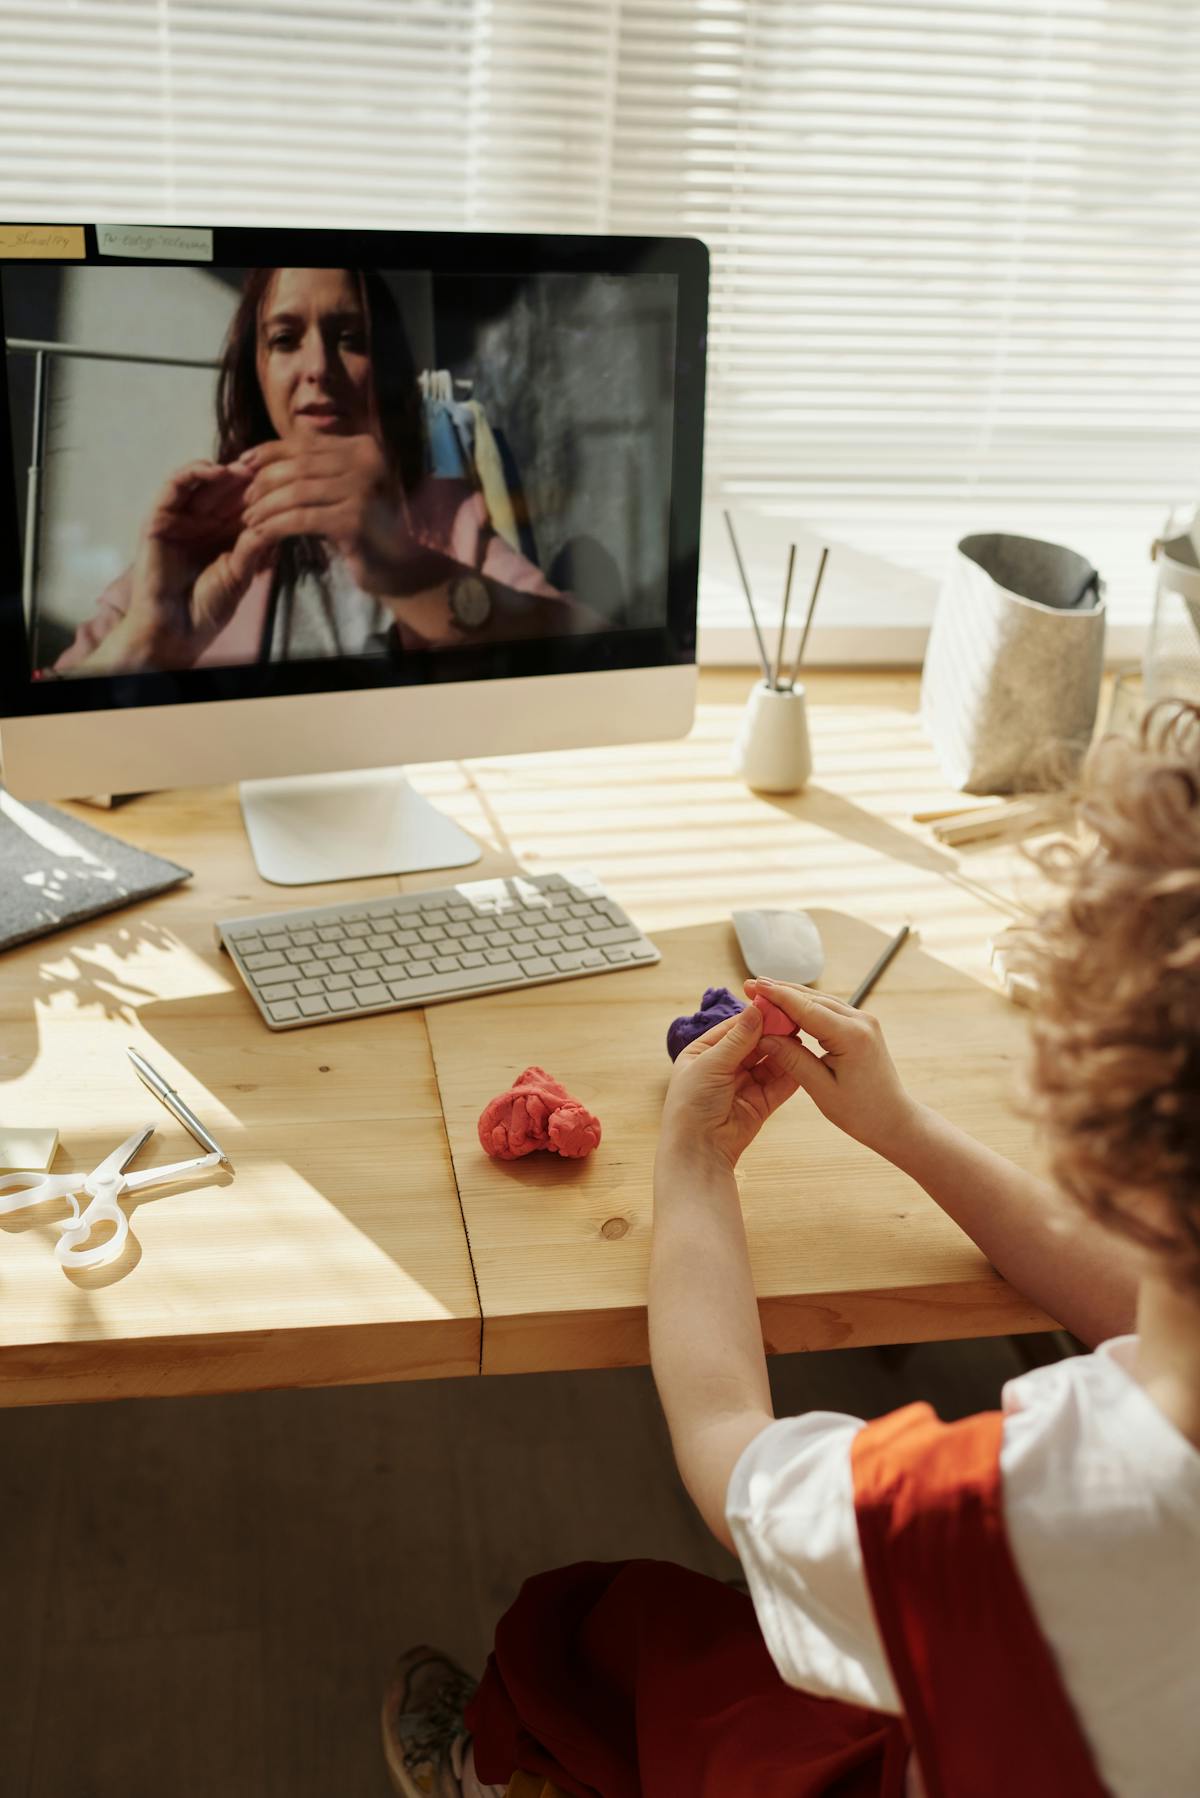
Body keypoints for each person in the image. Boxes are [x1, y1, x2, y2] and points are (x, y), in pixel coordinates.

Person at [381, 700, 1200, 1798]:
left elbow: (727, 1441)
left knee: (601, 1631)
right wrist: (906, 1131)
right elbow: (1151, 1319)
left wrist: (696, 1161)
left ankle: (502, 1766)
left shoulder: (989, 1523)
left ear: (1101, 1150)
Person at [49, 267, 598, 676]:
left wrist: (411, 577)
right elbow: (30, 741)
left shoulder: (444, 511)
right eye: (285, 340)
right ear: (256, 373)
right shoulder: (200, 528)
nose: (318, 369)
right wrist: (146, 645)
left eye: (352, 340)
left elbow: (594, 646)